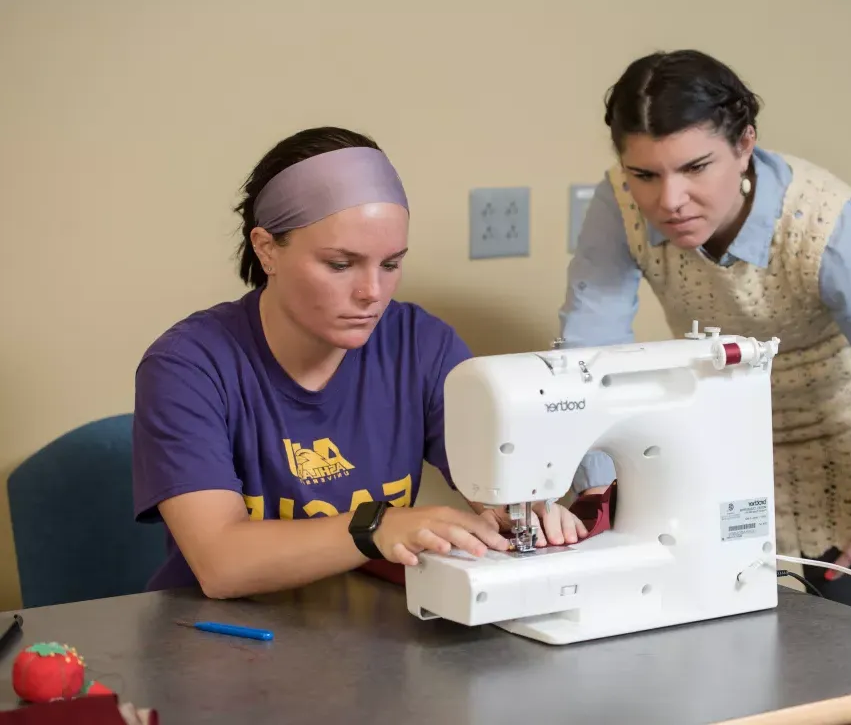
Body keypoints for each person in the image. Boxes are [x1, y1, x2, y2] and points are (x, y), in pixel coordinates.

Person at [559, 50, 851, 618]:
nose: (667, 201)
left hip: (833, 454)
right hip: (710, 443)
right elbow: (588, 352)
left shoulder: (830, 224)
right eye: (644, 174)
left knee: (845, 667)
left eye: (696, 167)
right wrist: (596, 494)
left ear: (745, 144)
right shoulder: (620, 203)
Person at [132, 126, 588, 599]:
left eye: (390, 265)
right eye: (340, 264)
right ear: (267, 248)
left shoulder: (421, 346)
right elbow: (221, 563)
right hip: (218, 643)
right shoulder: (188, 367)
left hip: (370, 632)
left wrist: (528, 507)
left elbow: (497, 482)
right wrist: (378, 526)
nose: (372, 292)